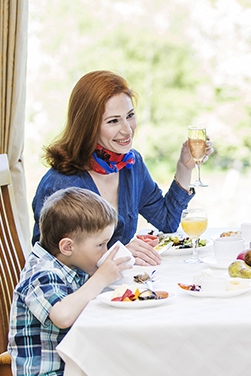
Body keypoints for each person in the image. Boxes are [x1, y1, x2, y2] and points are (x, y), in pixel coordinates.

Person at [31, 70, 211, 266]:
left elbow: (167, 222)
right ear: (88, 126)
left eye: (130, 115)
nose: (127, 129)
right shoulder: (60, 183)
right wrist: (118, 254)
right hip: (83, 294)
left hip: (119, 286)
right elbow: (49, 264)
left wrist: (184, 168)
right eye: (113, 121)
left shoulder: (131, 166)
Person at [8, 187, 133, 376]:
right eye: (100, 245)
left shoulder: (67, 264)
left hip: (73, 373)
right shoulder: (42, 274)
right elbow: (63, 315)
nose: (104, 251)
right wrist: (100, 278)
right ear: (67, 247)